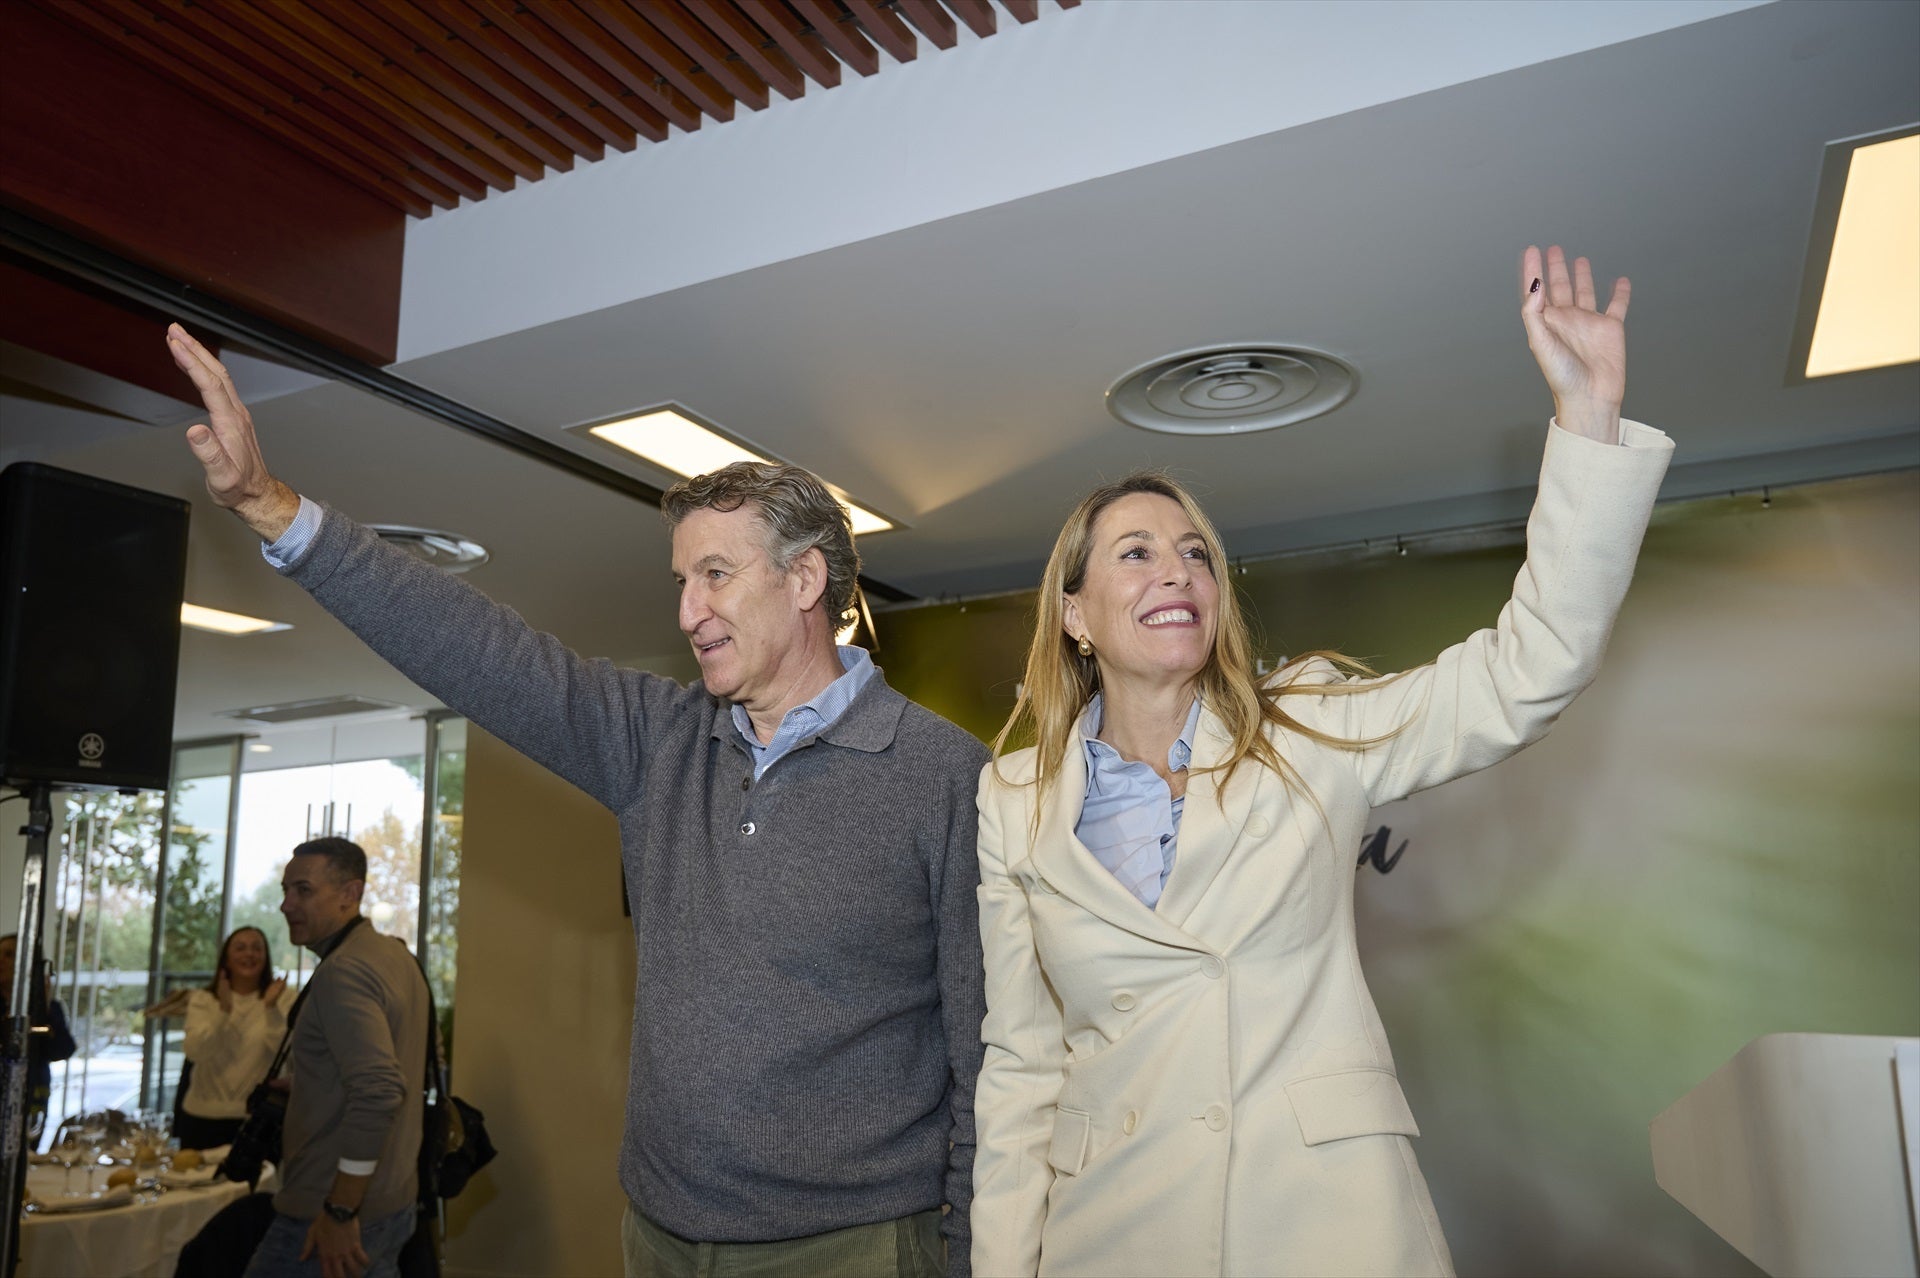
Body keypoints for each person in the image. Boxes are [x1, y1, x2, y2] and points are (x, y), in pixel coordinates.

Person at [167, 328, 989, 1278]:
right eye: (681, 581)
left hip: (855, 1248)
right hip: (659, 1230)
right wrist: (274, 508)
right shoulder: (661, 741)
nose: (686, 611)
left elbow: (989, 1057)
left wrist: (969, 1253)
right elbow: (479, 650)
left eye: (715, 575)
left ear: (805, 580)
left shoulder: (941, 775)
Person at [970, 246, 1676, 1276]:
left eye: (1198, 552)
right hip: (1114, 1230)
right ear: (1074, 613)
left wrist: (1587, 417)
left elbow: (1531, 670)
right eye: (1138, 552)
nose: (1179, 570)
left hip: (1324, 1223)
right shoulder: (1013, 800)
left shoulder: (1304, 725)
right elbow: (1022, 1067)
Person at [241, 837, 429, 1278]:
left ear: (350, 894)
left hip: (331, 1215)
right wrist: (311, 1085)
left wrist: (341, 1210)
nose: (287, 905)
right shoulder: (395, 957)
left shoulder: (344, 971)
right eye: (285, 890)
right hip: (392, 1202)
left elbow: (381, 1090)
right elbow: (404, 1061)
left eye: (303, 890)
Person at [148, 926, 289, 1150]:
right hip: (202, 1119)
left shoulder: (283, 997)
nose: (249, 954)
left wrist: (270, 1008)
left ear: (266, 956)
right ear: (226, 959)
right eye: (240, 948)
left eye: (256, 948)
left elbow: (284, 1054)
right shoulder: (204, 1000)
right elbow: (196, 1051)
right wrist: (224, 1010)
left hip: (257, 1120)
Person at [0, 934, 76, 1147]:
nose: (1, 961)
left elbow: (63, 1050)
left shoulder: (49, 1008)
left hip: (33, 1099)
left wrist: (45, 1008)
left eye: (9, 955)